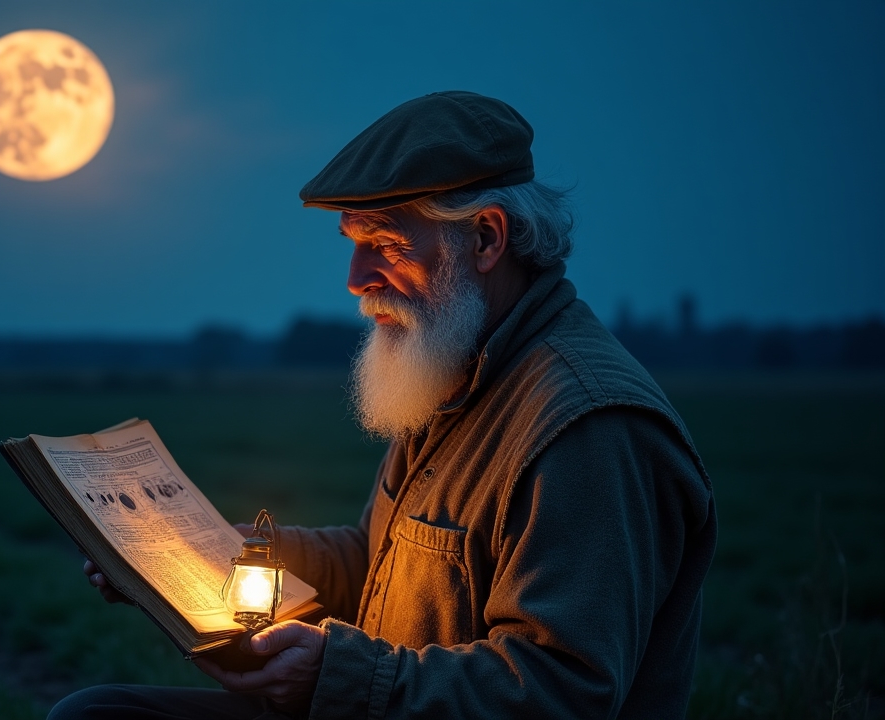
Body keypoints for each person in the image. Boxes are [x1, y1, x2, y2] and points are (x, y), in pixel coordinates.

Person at [50, 91, 717, 719]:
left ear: (487, 239)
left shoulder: (588, 427)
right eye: (353, 245)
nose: (355, 281)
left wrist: (338, 676)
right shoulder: (459, 371)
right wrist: (212, 554)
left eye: (386, 246)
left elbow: (560, 690)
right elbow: (377, 566)